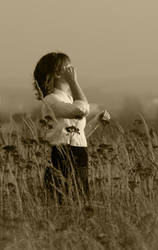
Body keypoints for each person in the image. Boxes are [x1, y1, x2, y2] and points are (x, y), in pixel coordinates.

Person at [33, 52, 110, 204]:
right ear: (57, 73)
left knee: (80, 202)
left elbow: (77, 135)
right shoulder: (51, 100)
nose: (73, 70)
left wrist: (96, 121)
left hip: (79, 155)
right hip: (63, 157)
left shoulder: (67, 99)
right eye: (68, 67)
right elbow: (81, 110)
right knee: (64, 202)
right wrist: (74, 83)